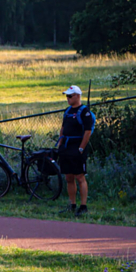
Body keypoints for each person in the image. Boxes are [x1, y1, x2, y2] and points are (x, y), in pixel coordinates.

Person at [58, 85, 94, 217]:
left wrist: (81, 148)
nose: (67, 98)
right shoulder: (67, 111)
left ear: (77, 96)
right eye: (66, 96)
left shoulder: (85, 112)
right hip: (66, 147)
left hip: (77, 147)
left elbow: (87, 131)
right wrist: (60, 143)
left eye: (70, 96)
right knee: (68, 177)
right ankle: (72, 204)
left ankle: (83, 206)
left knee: (80, 177)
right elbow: (63, 128)